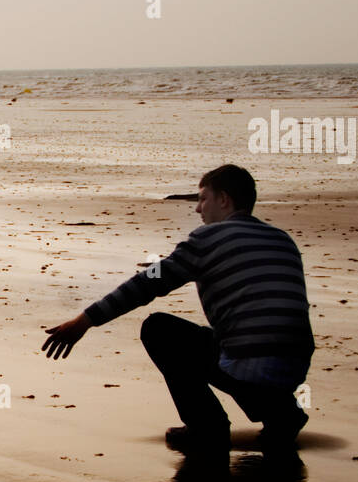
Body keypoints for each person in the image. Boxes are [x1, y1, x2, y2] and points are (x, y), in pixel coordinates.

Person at [41, 164, 313, 452]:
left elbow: (146, 284)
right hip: (294, 367)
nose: (198, 209)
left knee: (159, 328)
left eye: (203, 198)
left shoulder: (206, 240)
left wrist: (84, 321)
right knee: (244, 338)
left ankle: (206, 426)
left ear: (224, 200)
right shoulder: (282, 239)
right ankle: (281, 412)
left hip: (250, 367)